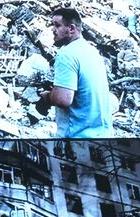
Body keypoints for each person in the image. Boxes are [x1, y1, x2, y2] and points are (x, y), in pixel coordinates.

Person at [38, 8, 113, 138]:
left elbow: (62, 100)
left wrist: (47, 97)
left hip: (77, 136)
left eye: (57, 25)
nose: (52, 29)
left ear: (72, 29)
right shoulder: (92, 51)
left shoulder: (67, 54)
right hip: (103, 134)